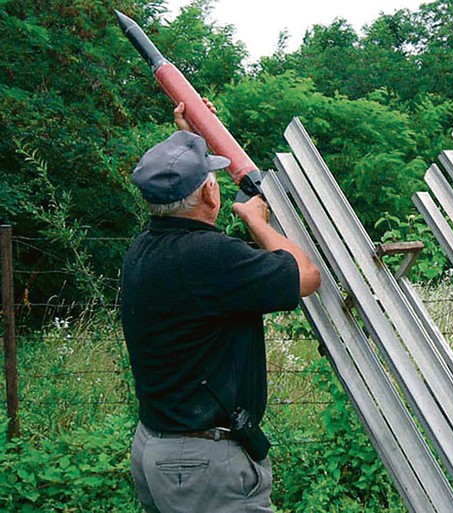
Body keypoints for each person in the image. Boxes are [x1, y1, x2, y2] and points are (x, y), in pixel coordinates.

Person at [121, 99, 320, 513]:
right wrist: (257, 221)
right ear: (210, 192)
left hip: (157, 449)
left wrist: (190, 136)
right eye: (211, 180)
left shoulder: (145, 247)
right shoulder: (211, 259)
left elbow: (180, 192)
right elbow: (307, 276)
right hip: (202, 466)